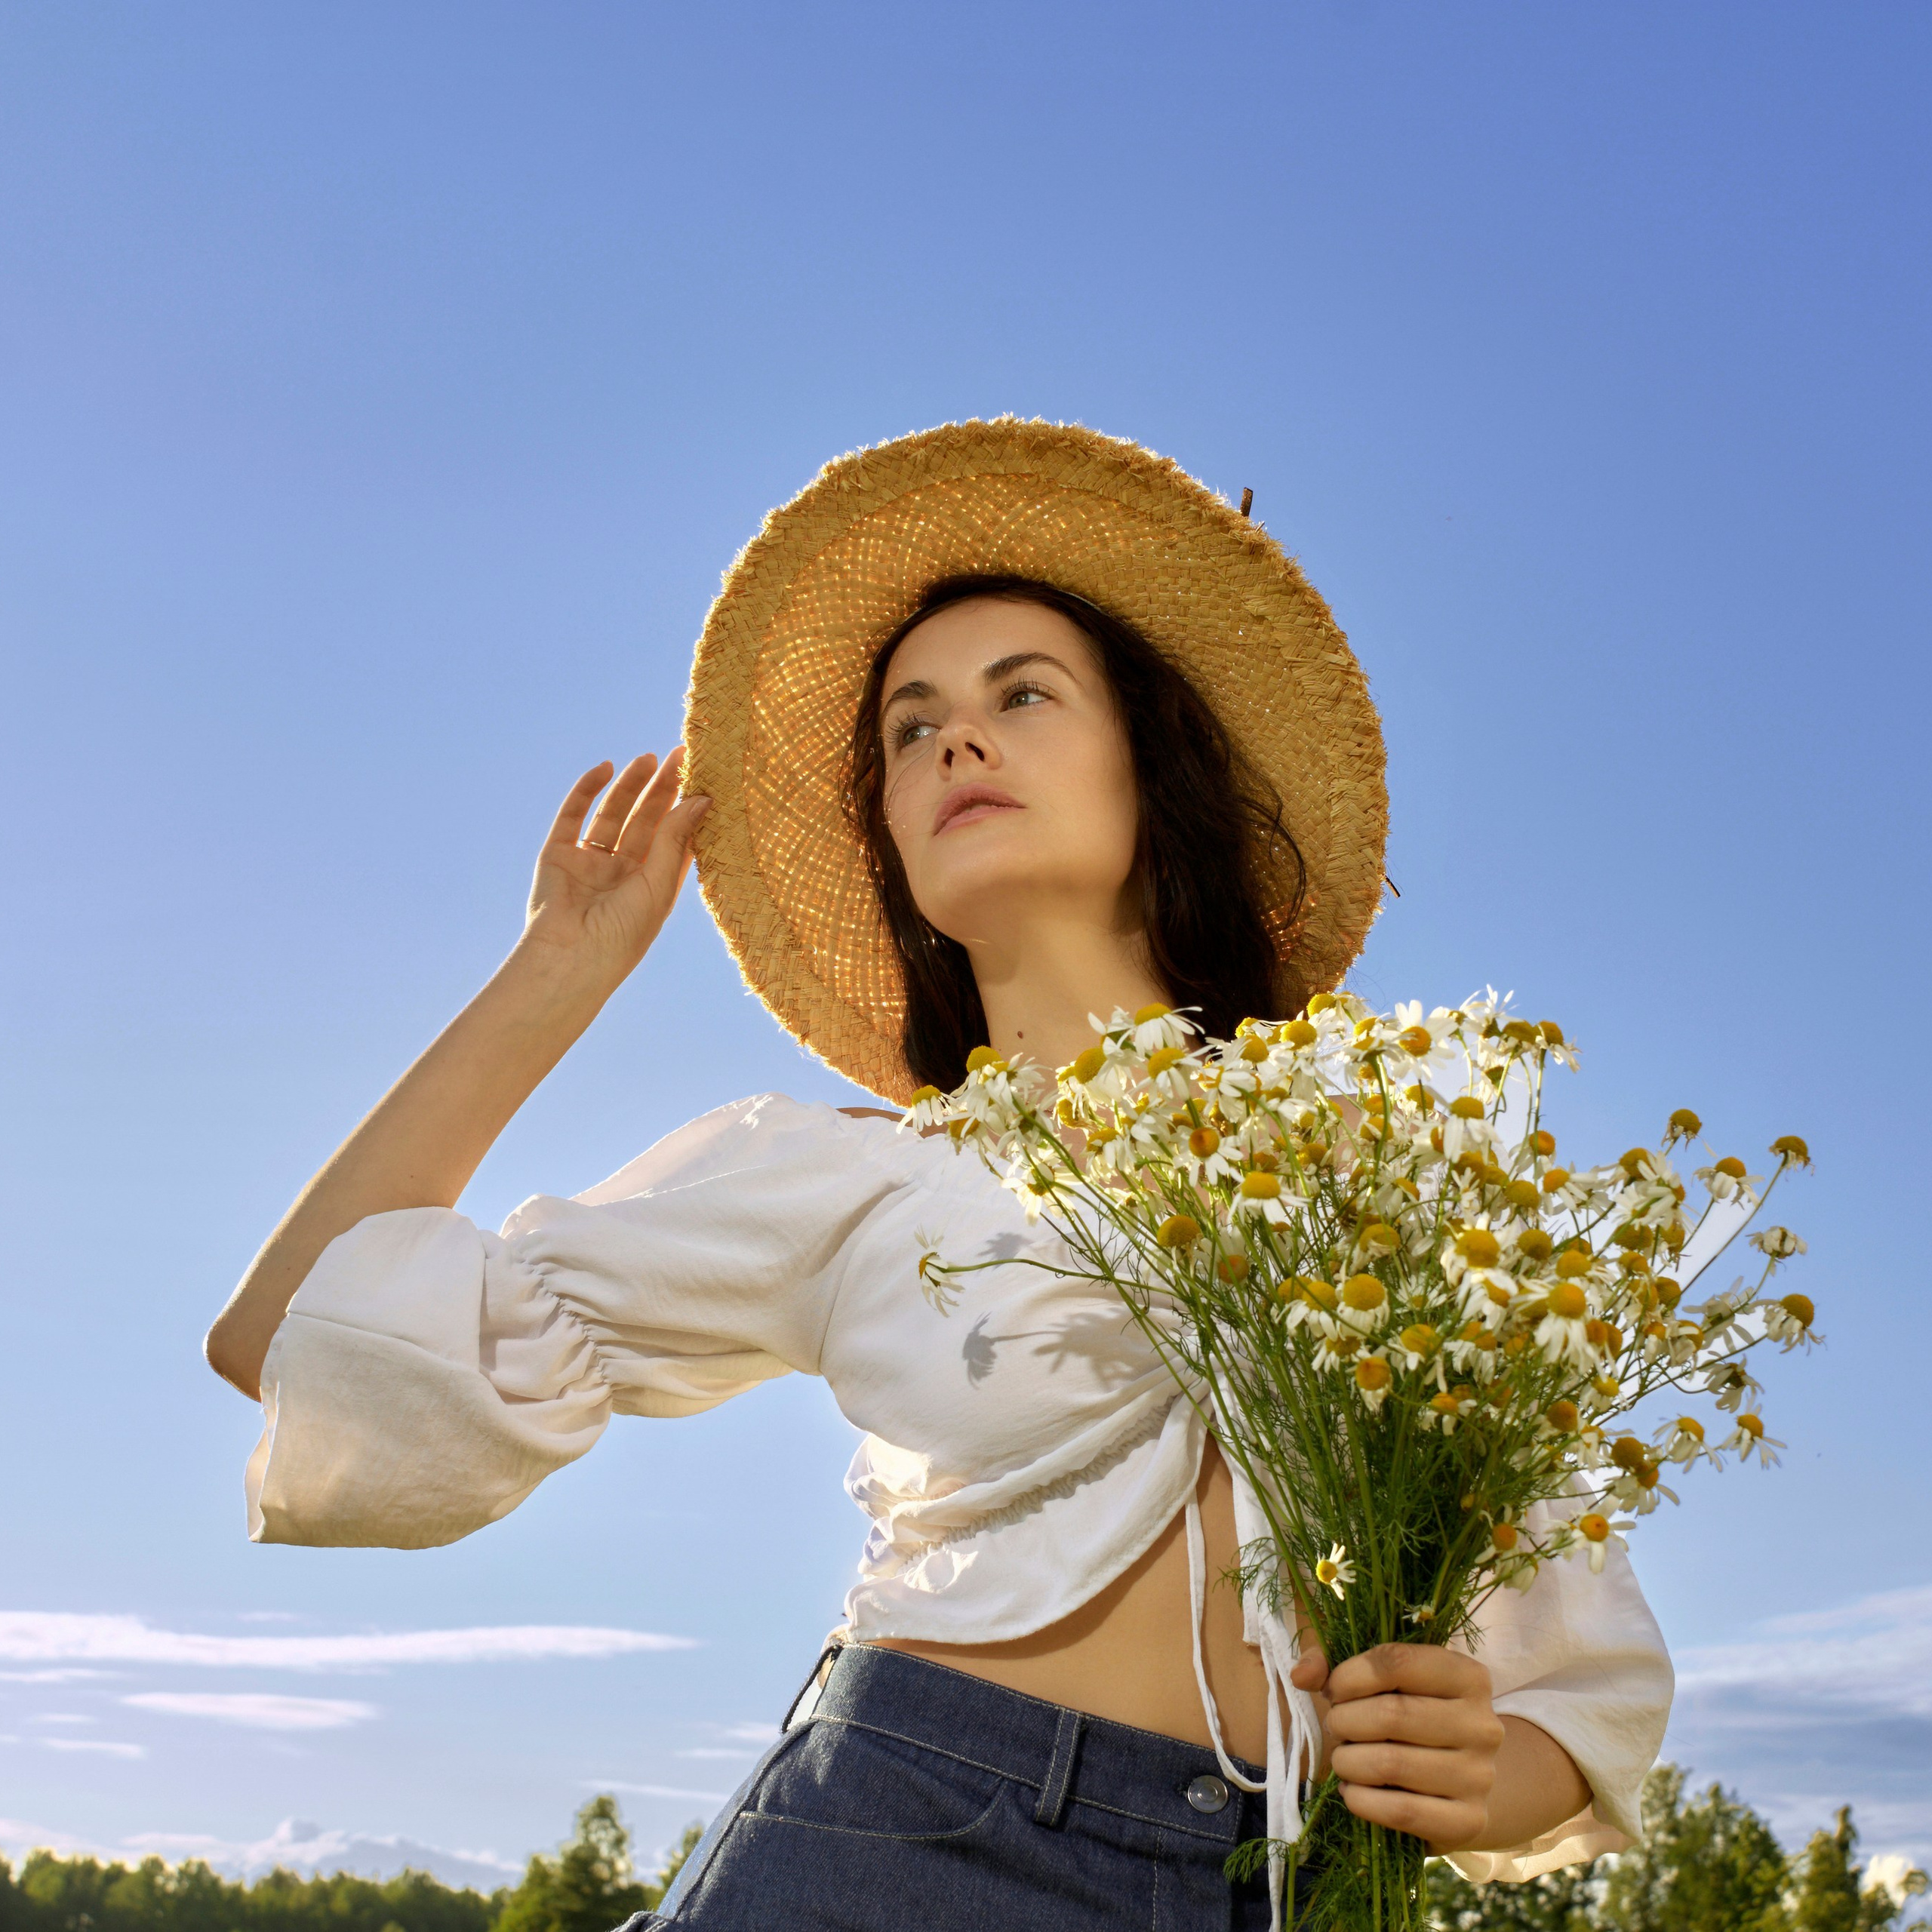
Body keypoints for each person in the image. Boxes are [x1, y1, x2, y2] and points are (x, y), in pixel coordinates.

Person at [205, 421, 1672, 1931]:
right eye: (909, 728)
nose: (952, 740)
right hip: (880, 1850)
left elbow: (1578, 1683)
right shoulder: (848, 1178)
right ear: (895, 832)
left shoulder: (1379, 1168)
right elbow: (287, 1333)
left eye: (1018, 694)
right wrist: (562, 963)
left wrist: (1477, 1765)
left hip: (1269, 1886)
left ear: (1149, 767)